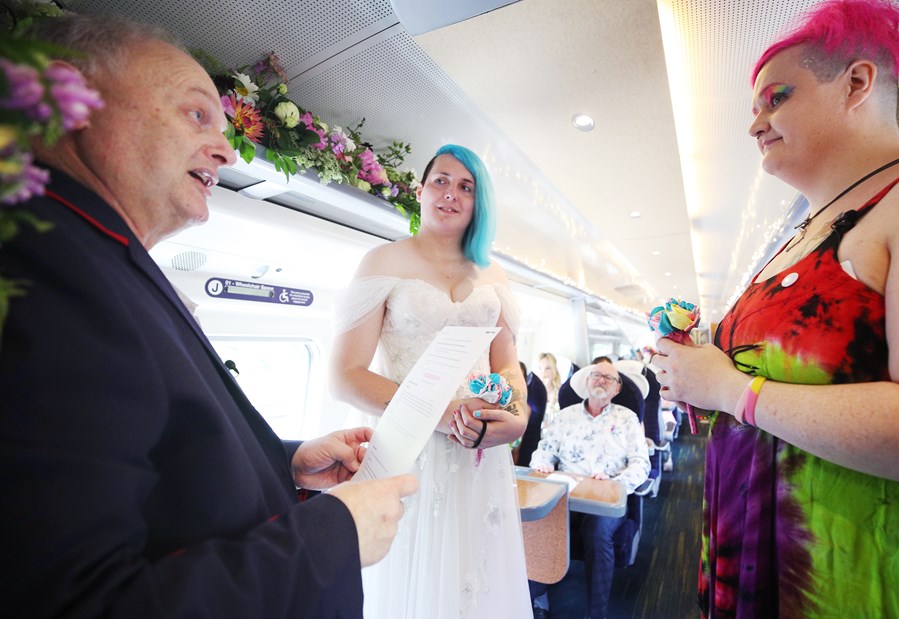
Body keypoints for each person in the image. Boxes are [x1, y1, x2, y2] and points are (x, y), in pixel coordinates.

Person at [0, 15, 417, 618]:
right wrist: (333, 537)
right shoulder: (43, 267)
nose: (225, 149)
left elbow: (152, 466)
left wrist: (284, 461)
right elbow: (78, 602)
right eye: (197, 114)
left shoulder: (100, 258)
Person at [651, 1, 899, 617]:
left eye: (776, 98)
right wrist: (696, 374)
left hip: (853, 572)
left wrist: (734, 391)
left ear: (856, 82)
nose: (755, 124)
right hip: (749, 555)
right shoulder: (795, 235)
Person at [329, 144, 532, 618]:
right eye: (441, 180)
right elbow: (345, 376)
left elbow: (507, 364)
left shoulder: (494, 272)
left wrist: (518, 416)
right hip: (409, 445)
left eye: (466, 186)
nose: (451, 194)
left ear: (478, 203)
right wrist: (441, 416)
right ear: (419, 191)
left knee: (478, 571)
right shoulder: (382, 262)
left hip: (479, 451)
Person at [528, 360, 650, 619]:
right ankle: (537, 596)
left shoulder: (627, 419)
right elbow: (544, 451)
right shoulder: (565, 416)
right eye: (596, 375)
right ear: (586, 381)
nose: (601, 380)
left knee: (596, 532)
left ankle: (597, 614)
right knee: (538, 522)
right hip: (566, 495)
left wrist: (615, 485)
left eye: (609, 378)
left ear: (617, 389)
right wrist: (543, 464)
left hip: (606, 500)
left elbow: (641, 465)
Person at [535, 352, 562, 423]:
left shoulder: (561, 392)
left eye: (548, 368)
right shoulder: (531, 392)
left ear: (554, 370)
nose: (543, 372)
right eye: (540, 368)